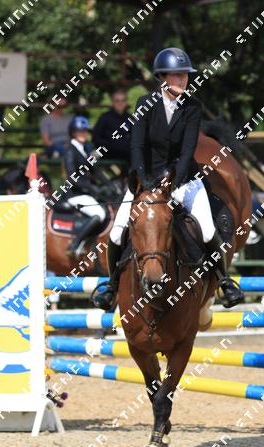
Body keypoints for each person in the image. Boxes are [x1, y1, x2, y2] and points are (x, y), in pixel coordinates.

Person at [91, 47, 244, 311]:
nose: (183, 80)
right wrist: (143, 180)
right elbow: (137, 146)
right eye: (177, 75)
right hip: (147, 180)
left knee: (207, 228)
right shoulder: (145, 104)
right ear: (162, 77)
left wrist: (173, 182)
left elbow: (187, 150)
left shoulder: (193, 107)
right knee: (116, 233)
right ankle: (112, 287)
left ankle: (223, 281)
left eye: (185, 75)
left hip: (183, 180)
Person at [62, 116, 109, 257]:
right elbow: (72, 178)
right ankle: (74, 244)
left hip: (85, 193)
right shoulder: (70, 151)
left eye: (84, 131)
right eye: (79, 131)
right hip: (75, 194)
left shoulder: (85, 150)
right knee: (99, 214)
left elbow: (97, 172)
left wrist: (111, 185)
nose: (82, 133)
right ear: (73, 132)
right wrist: (91, 187)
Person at [93, 89, 132, 163]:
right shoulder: (104, 118)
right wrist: (109, 145)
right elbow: (96, 137)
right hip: (108, 154)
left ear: (126, 102)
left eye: (123, 100)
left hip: (127, 155)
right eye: (117, 101)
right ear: (112, 102)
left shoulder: (130, 119)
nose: (120, 103)